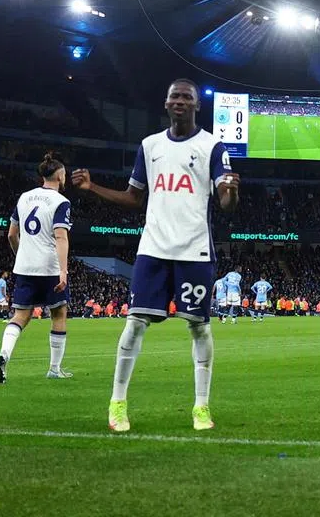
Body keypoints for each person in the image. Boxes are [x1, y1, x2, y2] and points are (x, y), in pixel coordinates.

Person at [71, 78, 239, 433]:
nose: (180, 101)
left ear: (197, 105)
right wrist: (92, 188)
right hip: (153, 248)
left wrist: (231, 193)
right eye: (174, 96)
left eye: (187, 97)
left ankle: (201, 407)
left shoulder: (212, 146)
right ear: (165, 104)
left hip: (195, 249)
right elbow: (134, 198)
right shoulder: (149, 146)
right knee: (134, 324)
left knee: (199, 326)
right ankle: (117, 403)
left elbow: (225, 203)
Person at [0, 152, 74, 383]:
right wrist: (63, 271)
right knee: (59, 314)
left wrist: (22, 256)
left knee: (20, 316)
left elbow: (11, 234)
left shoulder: (24, 198)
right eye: (65, 174)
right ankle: (54, 368)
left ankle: (4, 354)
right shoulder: (61, 202)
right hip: (49, 268)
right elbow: (61, 237)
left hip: (25, 267)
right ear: (59, 175)